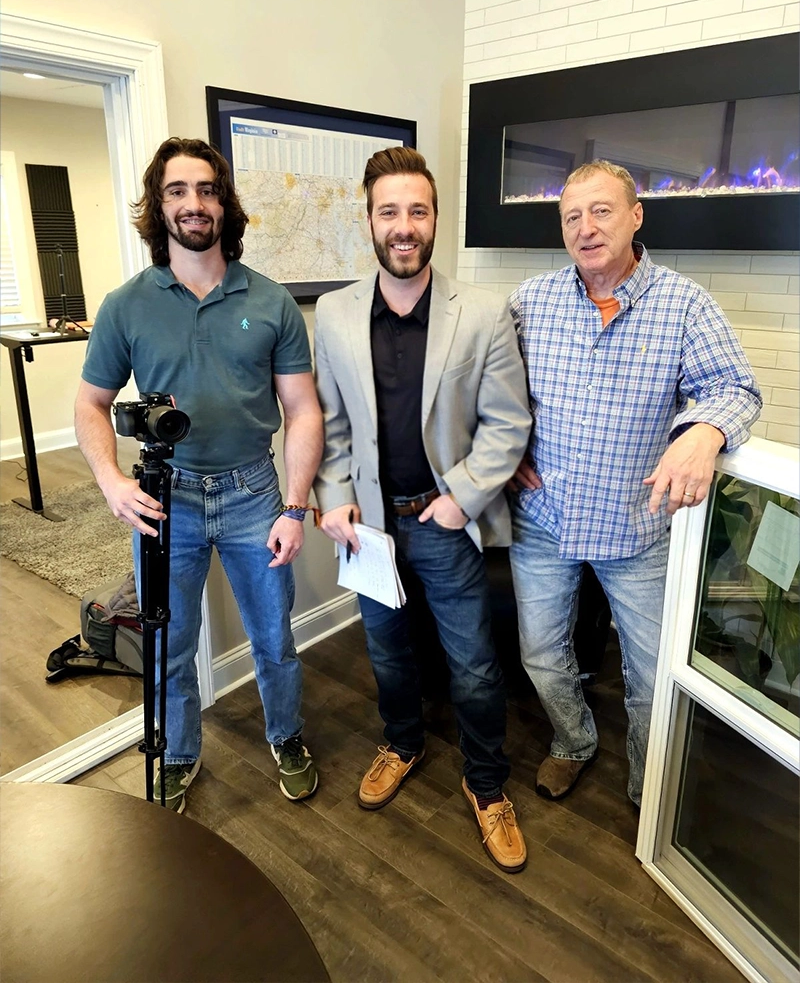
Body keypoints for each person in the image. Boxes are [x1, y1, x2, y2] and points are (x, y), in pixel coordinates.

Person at [75, 137, 323, 813]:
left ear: (224, 203)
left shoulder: (269, 302)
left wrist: (294, 507)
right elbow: (90, 404)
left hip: (253, 494)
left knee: (274, 637)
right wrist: (110, 481)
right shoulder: (126, 305)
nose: (194, 203)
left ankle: (287, 736)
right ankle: (179, 753)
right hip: (165, 501)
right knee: (170, 641)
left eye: (207, 189)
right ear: (159, 206)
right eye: (178, 191)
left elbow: (302, 410)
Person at [508, 160, 761, 809]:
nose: (586, 228)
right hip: (544, 518)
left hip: (637, 527)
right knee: (540, 653)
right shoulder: (529, 302)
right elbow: (486, 390)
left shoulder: (685, 304)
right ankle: (573, 742)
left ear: (635, 214)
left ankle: (649, 792)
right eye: (572, 216)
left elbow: (734, 388)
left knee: (650, 676)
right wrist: (502, 453)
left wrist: (705, 433)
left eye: (601, 211)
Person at [313, 147, 532, 873]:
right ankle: (401, 741)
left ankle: (488, 785)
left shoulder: (483, 312)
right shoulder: (336, 315)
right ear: (369, 220)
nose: (403, 226)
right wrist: (335, 500)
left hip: (444, 524)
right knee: (387, 652)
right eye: (389, 212)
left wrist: (458, 499)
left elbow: (508, 425)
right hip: (368, 530)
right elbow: (332, 423)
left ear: (434, 219)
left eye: (417, 211)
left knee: (472, 664)